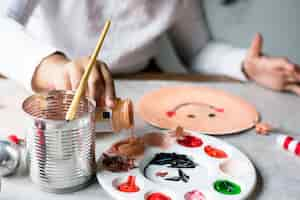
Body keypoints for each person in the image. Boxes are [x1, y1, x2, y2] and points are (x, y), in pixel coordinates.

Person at [0, 0, 299, 110]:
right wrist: (53, 67)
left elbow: (197, 50)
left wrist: (244, 66)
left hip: (137, 91)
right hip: (46, 86)